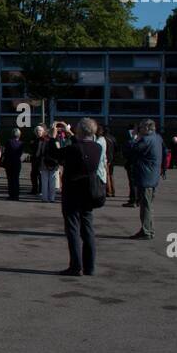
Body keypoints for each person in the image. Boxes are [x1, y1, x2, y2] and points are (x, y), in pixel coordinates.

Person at [46, 117, 105, 276]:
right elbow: (82, 146)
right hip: (89, 192)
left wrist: (52, 137)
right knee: (88, 229)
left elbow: (54, 154)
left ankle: (75, 265)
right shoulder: (97, 148)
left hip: (72, 192)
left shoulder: (73, 150)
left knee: (72, 229)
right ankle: (89, 266)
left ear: (79, 131)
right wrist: (70, 132)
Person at [129, 119, 164, 240]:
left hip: (146, 176)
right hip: (153, 176)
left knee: (146, 206)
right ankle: (148, 229)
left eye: (141, 128)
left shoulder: (146, 140)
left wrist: (133, 138)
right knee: (148, 205)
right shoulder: (157, 138)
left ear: (147, 128)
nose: (139, 130)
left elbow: (131, 150)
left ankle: (147, 231)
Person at [39, 125, 60, 202]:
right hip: (54, 163)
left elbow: (40, 152)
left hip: (44, 162)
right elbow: (59, 151)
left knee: (44, 181)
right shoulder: (56, 141)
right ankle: (52, 198)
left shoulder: (44, 140)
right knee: (52, 182)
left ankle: (44, 198)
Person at [2, 128, 24, 200]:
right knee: (16, 179)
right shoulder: (21, 143)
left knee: (10, 179)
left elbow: (5, 152)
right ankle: (16, 195)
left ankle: (11, 194)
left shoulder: (8, 142)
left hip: (9, 162)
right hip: (17, 163)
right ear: (19, 135)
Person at [29, 125, 45, 197]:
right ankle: (34, 189)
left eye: (40, 131)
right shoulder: (34, 139)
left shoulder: (43, 139)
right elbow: (31, 148)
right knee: (33, 175)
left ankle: (41, 190)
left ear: (42, 132)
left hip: (40, 160)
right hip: (34, 160)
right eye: (37, 131)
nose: (38, 132)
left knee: (40, 175)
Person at [102, 124, 118, 197]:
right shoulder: (113, 138)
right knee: (111, 174)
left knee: (107, 175)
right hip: (112, 158)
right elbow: (116, 149)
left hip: (107, 158)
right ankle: (113, 190)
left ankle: (108, 191)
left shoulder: (104, 139)